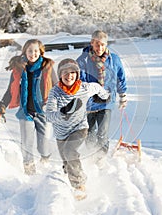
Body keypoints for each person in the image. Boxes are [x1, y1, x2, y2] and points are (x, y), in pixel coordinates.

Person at [46, 58, 109, 200]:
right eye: (65, 73)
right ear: (60, 75)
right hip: (61, 133)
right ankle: (68, 174)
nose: (69, 76)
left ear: (77, 74)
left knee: (70, 152)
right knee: (67, 161)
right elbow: (49, 116)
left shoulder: (84, 88)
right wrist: (62, 113)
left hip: (80, 128)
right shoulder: (55, 93)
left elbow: (98, 87)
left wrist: (105, 97)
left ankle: (79, 185)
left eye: (72, 72)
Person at [0, 39, 57, 175]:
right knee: (26, 145)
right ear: (25, 52)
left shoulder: (48, 67)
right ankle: (29, 170)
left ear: (40, 52)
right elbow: (10, 90)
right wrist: (2, 105)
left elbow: (57, 88)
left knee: (44, 146)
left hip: (44, 112)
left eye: (35, 51)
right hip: (26, 112)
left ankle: (45, 158)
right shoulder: (18, 69)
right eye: (30, 50)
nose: (32, 54)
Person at [76, 30, 127, 164]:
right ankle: (91, 154)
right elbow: (78, 81)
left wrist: (123, 95)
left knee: (102, 133)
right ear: (92, 43)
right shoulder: (83, 60)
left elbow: (120, 78)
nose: (100, 48)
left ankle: (101, 158)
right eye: (97, 44)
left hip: (106, 102)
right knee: (89, 133)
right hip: (89, 104)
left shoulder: (114, 59)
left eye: (103, 45)